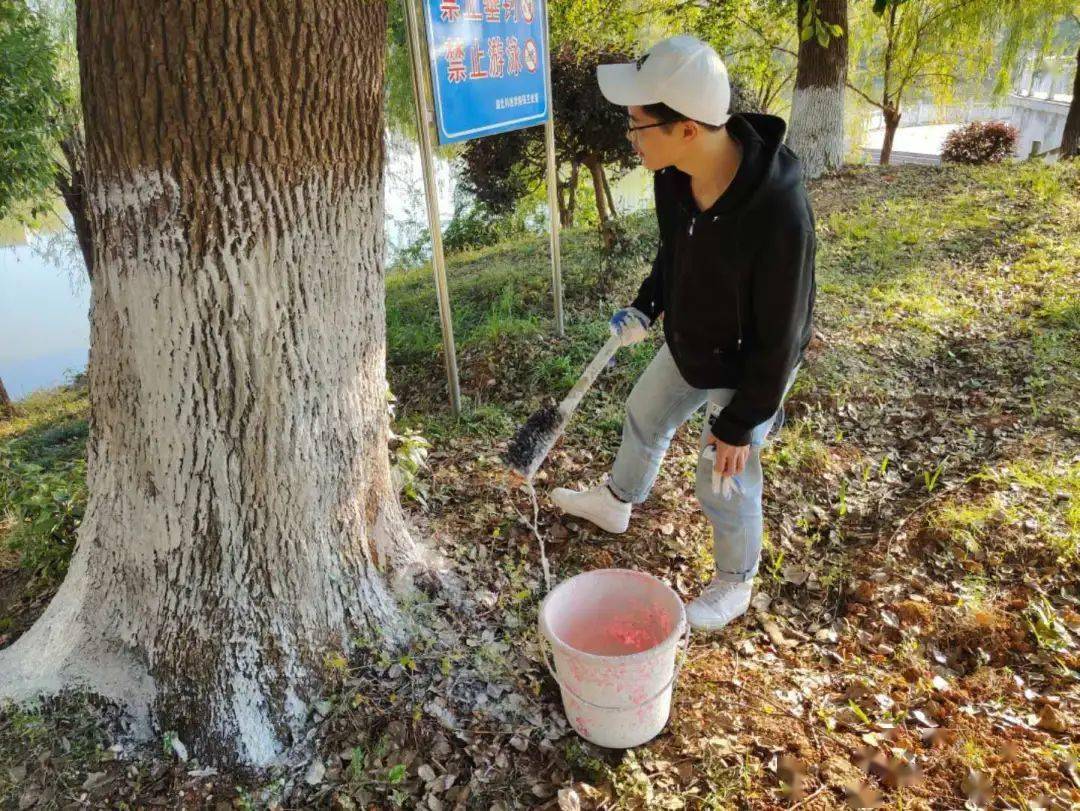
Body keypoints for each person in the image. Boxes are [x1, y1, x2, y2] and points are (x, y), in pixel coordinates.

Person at [549, 35, 817, 631]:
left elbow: (783, 333)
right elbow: (676, 253)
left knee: (724, 473)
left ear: (689, 128)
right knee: (644, 412)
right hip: (694, 337)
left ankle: (734, 581)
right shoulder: (673, 175)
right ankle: (618, 503)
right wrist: (648, 306)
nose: (631, 137)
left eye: (639, 127)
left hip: (750, 360)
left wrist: (742, 422)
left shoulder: (778, 211)